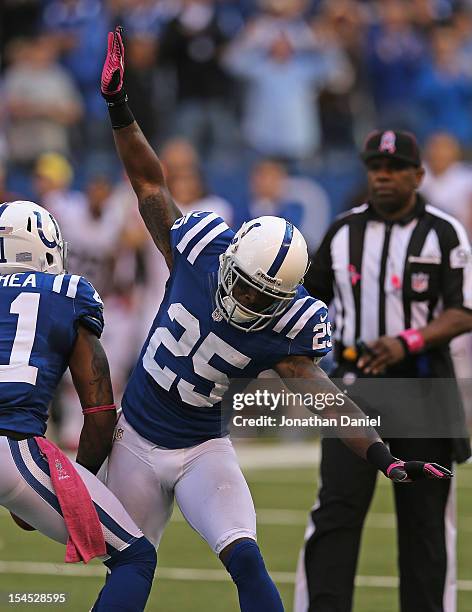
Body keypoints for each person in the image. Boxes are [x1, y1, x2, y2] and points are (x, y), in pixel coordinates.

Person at [101, 28, 452, 612]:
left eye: (265, 296)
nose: (247, 300)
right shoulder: (198, 249)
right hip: (133, 438)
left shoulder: (288, 325)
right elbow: (149, 181)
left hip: (201, 446)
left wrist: (382, 455)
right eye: (243, 283)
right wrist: (120, 106)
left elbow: (325, 397)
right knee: (131, 564)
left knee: (245, 556)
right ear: (231, 256)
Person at [296, 130, 472, 612]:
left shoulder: (443, 231)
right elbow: (309, 300)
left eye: (394, 169)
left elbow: (464, 311)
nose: (384, 176)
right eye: (376, 168)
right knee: (336, 512)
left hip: (423, 389)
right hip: (355, 388)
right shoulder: (342, 230)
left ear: (418, 175)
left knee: (426, 522)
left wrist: (405, 341)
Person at [0, 200, 156, 611]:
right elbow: (101, 414)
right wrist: (73, 483)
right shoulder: (67, 294)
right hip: (10, 448)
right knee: (135, 557)